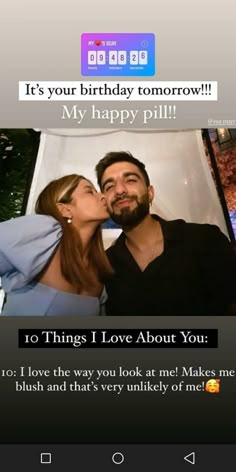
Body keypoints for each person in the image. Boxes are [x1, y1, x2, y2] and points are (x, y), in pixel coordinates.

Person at [95, 151, 236, 315]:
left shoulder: (204, 239)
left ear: (150, 193)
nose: (119, 190)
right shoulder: (106, 266)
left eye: (130, 180)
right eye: (109, 186)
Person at [0, 174, 113, 316]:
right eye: (90, 191)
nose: (103, 196)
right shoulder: (45, 231)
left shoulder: (99, 269)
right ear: (64, 210)